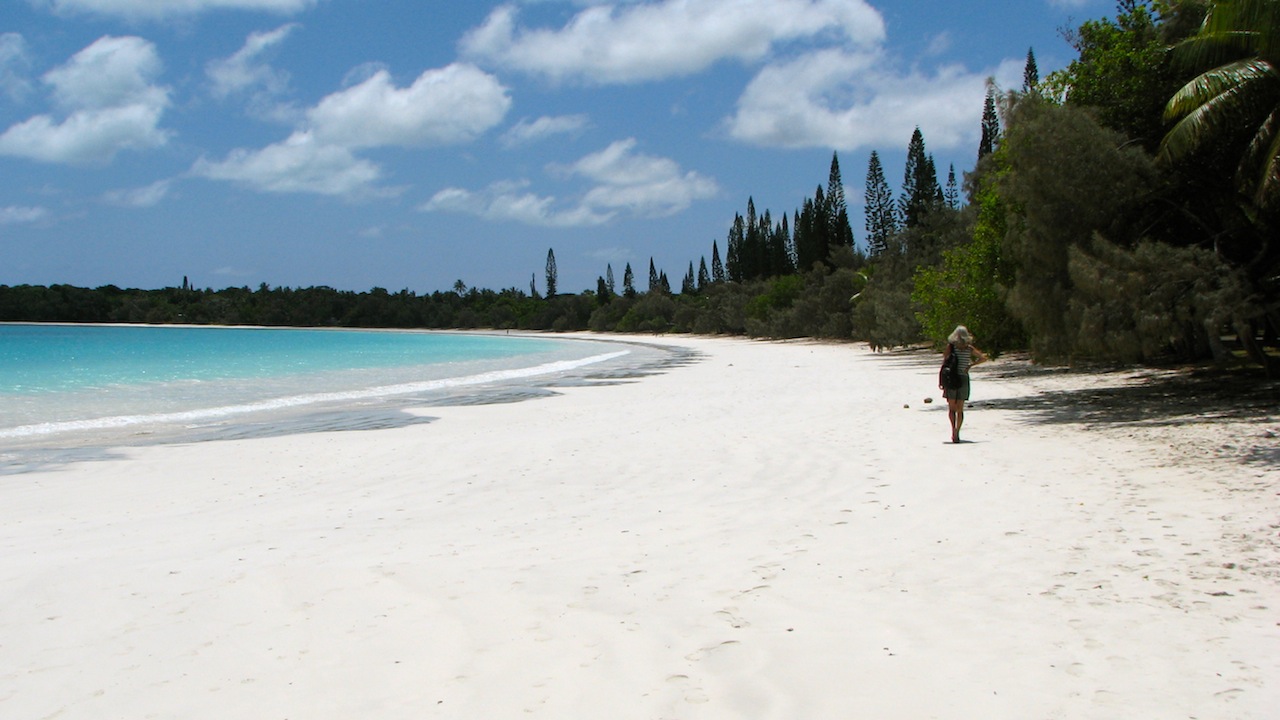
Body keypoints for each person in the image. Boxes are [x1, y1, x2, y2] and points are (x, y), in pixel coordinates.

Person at [940, 325, 987, 443]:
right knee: (960, 408)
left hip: (951, 378)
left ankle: (952, 430)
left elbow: (944, 359)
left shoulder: (951, 347)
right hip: (963, 378)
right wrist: (970, 365)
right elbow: (983, 358)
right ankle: (957, 430)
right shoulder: (969, 348)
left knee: (951, 408)